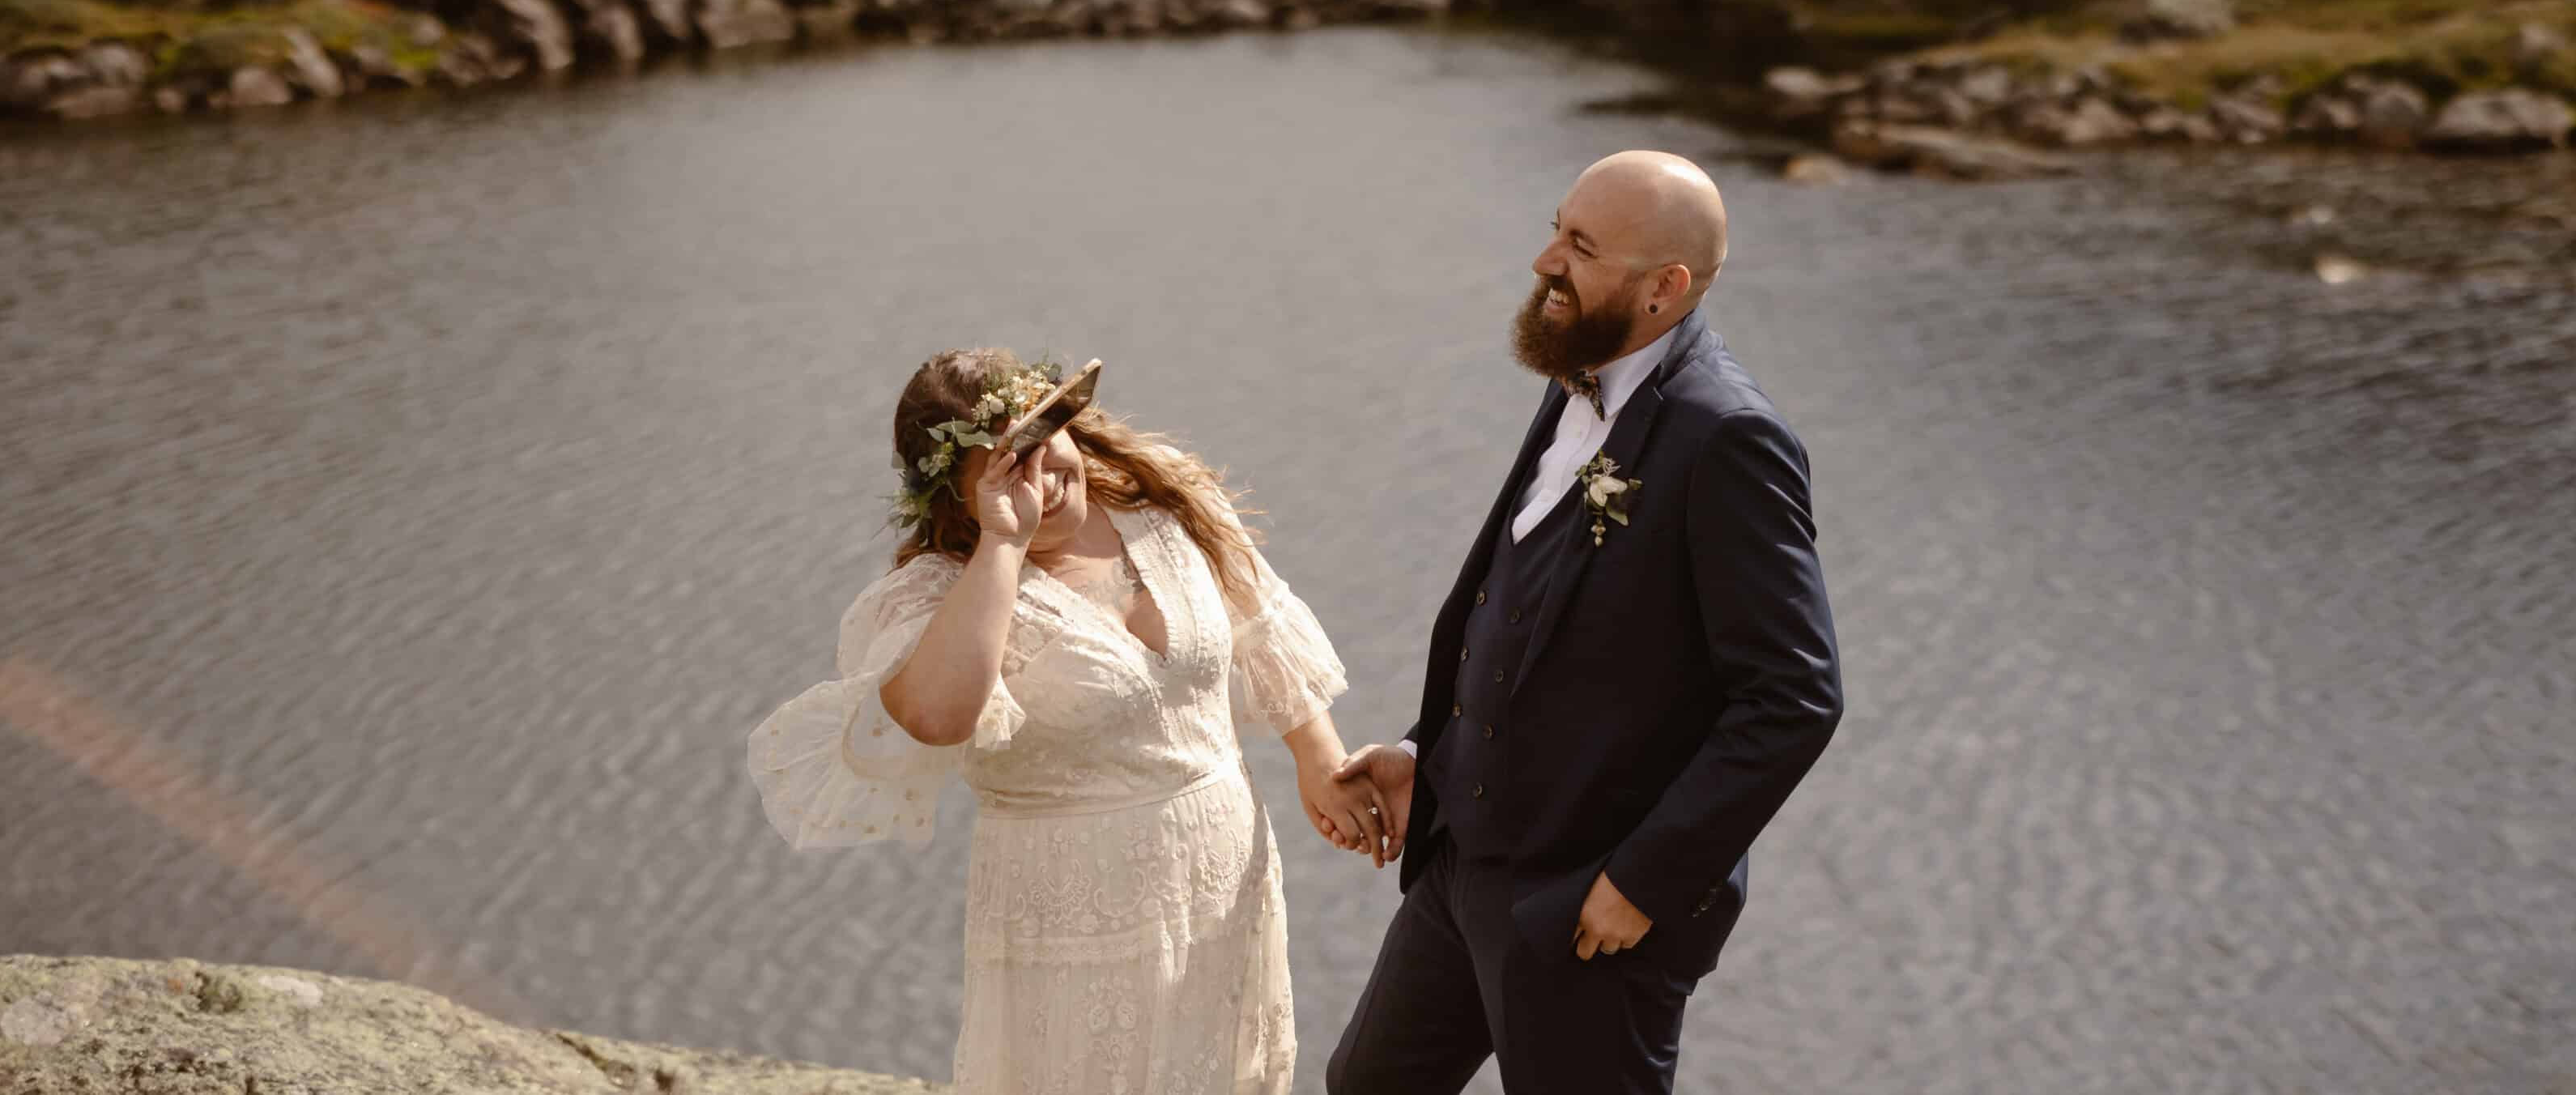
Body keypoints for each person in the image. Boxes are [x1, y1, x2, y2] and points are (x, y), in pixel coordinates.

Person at [1325, 150, 1845, 1095]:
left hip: (1589, 903)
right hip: (1463, 865)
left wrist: (1643, 882)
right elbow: (1537, 617)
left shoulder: (1726, 436)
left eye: (1580, 245)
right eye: (1556, 226)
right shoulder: (1580, 370)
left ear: (1664, 287)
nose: (1543, 260)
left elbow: (1794, 698)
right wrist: (1424, 749)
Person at [747, 347, 1377, 1095]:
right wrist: (1004, 545)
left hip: (1224, 883)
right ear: (956, 499)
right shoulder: (936, 596)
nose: (1044, 478)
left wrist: (1319, 759)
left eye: (1046, 444)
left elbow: (1257, 618)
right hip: (1077, 920)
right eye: (1009, 471)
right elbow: (938, 716)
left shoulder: (1159, 497)